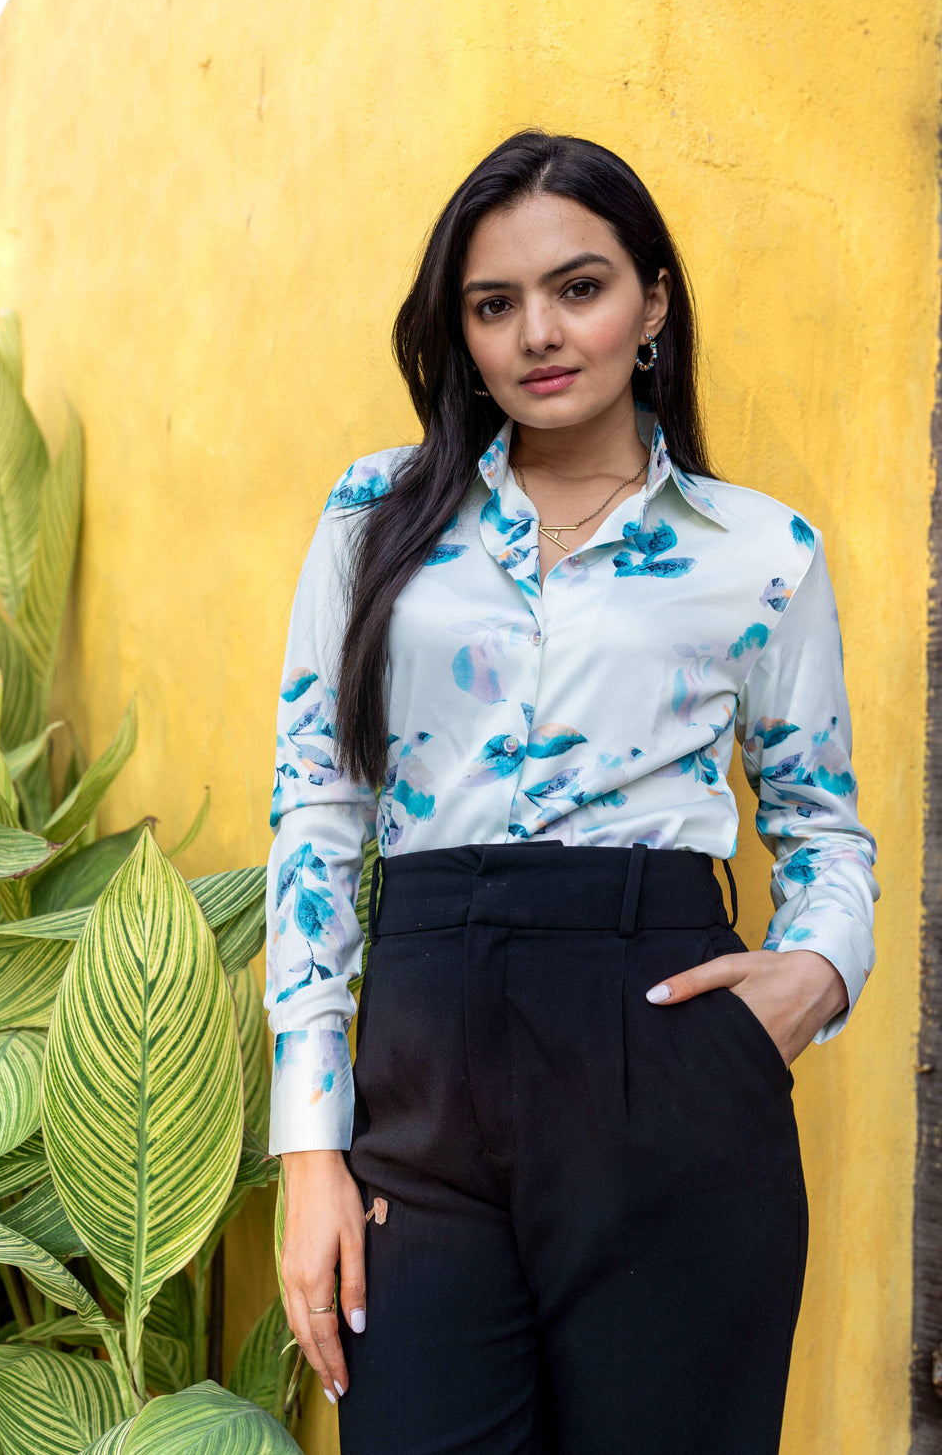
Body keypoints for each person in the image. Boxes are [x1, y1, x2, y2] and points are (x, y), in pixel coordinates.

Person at [262, 131, 879, 1455]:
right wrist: (311, 1150)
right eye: (494, 304)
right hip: (423, 1075)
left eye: (579, 288)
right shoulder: (376, 517)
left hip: (666, 1059)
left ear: (653, 304)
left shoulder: (760, 551)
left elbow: (822, 827)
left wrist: (815, 975)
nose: (537, 334)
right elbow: (317, 814)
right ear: (460, 330)